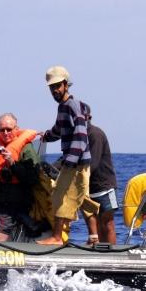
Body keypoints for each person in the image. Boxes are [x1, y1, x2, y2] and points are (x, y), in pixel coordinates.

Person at [38, 66, 91, 245]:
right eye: (52, 87)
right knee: (81, 198)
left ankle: (57, 238)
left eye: (58, 86)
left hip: (76, 163)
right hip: (74, 161)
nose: (55, 90)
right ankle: (95, 237)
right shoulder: (63, 107)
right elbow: (59, 130)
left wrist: (70, 161)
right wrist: (46, 136)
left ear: (66, 85)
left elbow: (81, 136)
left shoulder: (72, 106)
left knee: (60, 197)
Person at [0, 113, 40, 241]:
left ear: (16, 129)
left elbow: (33, 178)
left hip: (16, 201)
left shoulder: (26, 148)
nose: (5, 133)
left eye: (9, 129)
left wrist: (12, 162)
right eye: (2, 130)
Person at [83, 110, 118, 245]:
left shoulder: (95, 134)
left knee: (107, 223)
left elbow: (94, 162)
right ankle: (98, 251)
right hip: (88, 188)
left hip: (104, 187)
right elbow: (68, 157)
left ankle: (111, 255)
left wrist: (76, 177)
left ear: (88, 117)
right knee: (95, 226)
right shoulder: (77, 137)